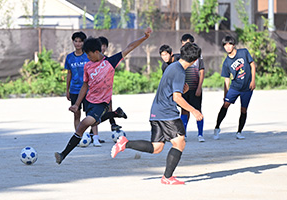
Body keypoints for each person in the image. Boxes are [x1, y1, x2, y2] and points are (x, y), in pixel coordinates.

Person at [112, 42, 204, 185]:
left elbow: (171, 91)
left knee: (157, 147)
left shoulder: (172, 67)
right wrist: (194, 111)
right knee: (180, 142)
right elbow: (176, 98)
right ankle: (167, 177)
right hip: (167, 113)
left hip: (156, 111)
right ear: (194, 61)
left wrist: (182, 91)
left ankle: (125, 143)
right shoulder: (179, 71)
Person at [55, 28, 150, 164]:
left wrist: (144, 37)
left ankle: (62, 155)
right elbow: (85, 85)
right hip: (89, 100)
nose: (88, 58)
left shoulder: (110, 62)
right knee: (95, 122)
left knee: (84, 124)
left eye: (89, 55)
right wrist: (76, 104)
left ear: (96, 52)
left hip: (102, 102)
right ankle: (115, 113)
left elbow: (129, 47)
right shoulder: (88, 66)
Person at [213, 36, 256, 140]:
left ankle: (239, 132)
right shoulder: (226, 62)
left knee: (244, 109)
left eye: (229, 44)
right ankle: (217, 127)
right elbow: (226, 79)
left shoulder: (244, 52)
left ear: (233, 44)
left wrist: (253, 80)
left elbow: (252, 65)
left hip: (247, 87)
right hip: (235, 87)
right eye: (225, 45)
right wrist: (225, 94)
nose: (227, 47)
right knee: (226, 104)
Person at [63, 31, 95, 146]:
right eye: (75, 41)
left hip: (88, 89)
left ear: (84, 42)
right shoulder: (70, 57)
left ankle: (94, 137)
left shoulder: (88, 56)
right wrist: (67, 90)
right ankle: (78, 136)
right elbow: (69, 74)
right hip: (75, 89)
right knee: (76, 113)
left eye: (80, 41)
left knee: (90, 114)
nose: (78, 44)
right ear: (73, 42)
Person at [176, 34, 206, 142]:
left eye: (187, 43)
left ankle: (200, 134)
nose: (185, 46)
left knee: (197, 110)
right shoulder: (181, 55)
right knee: (184, 110)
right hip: (184, 88)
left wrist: (199, 87)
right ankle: (184, 134)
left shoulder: (198, 56)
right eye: (183, 44)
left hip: (195, 87)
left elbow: (201, 71)